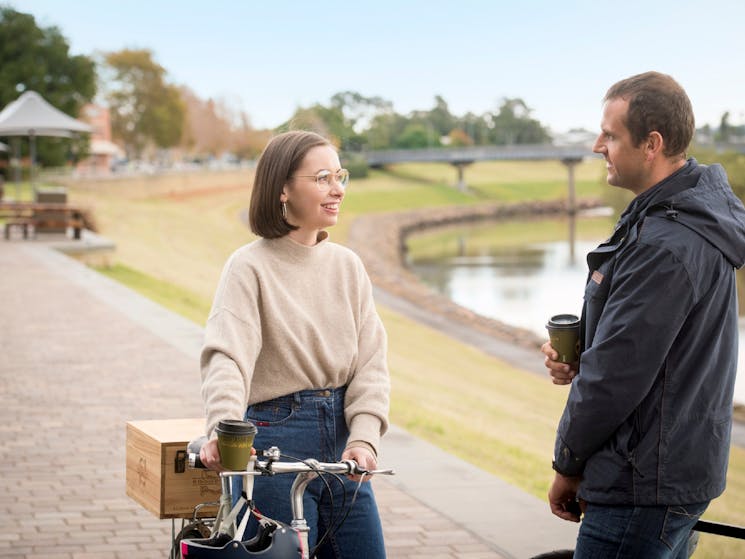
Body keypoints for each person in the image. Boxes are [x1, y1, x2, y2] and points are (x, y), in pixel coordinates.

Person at [541, 71, 745, 558]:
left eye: (610, 135)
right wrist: (582, 349)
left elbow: (614, 378)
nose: (596, 145)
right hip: (666, 474)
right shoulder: (671, 217)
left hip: (643, 484)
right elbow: (641, 348)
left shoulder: (666, 245)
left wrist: (567, 465)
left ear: (651, 144)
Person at [199, 130, 390, 558]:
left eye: (340, 175)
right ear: (283, 189)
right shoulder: (248, 267)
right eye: (322, 178)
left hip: (343, 449)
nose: (338, 188)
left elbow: (371, 363)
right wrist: (222, 428)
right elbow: (226, 358)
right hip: (271, 443)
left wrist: (363, 438)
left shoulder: (348, 266)